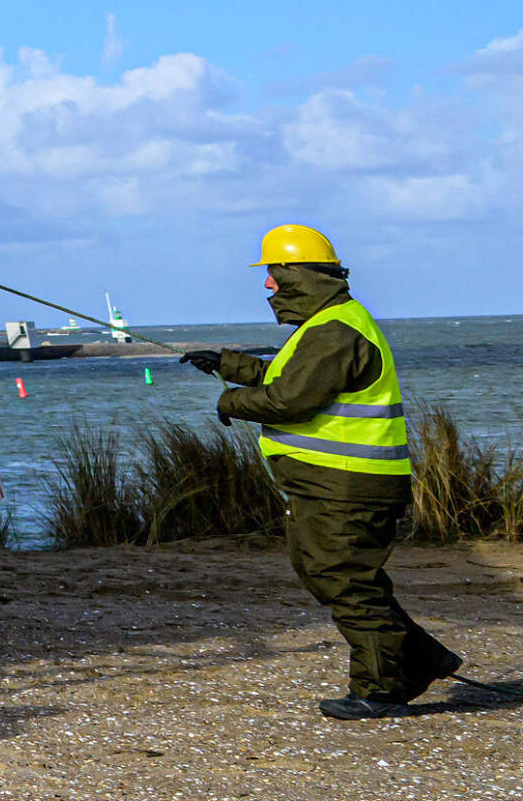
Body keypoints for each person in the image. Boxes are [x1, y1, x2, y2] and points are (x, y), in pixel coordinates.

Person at [185, 227, 463, 719]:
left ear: (299, 276)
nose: (268, 286)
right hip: (335, 485)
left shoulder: (334, 331)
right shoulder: (330, 325)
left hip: (346, 487)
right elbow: (290, 373)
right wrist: (228, 364)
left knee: (344, 581)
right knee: (335, 575)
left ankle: (380, 689)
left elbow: (290, 399)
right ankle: (420, 659)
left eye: (274, 274)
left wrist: (230, 400)